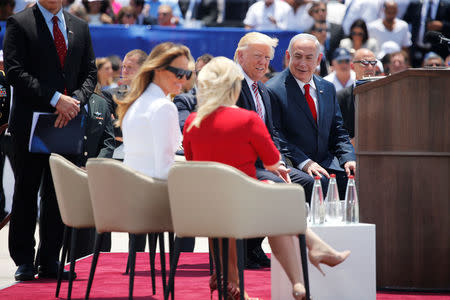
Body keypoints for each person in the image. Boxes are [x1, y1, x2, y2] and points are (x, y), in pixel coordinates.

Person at [183, 56, 350, 300]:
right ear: (235, 86)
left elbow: (192, 164)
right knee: (277, 203)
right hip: (244, 208)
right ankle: (301, 275)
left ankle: (229, 279)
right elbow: (273, 161)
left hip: (208, 211)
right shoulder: (248, 119)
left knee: (249, 203)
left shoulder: (191, 122)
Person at [3, 0, 97, 281]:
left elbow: (90, 73)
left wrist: (75, 102)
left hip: (66, 120)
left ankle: (50, 259)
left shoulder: (79, 26)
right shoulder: (20, 23)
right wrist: (56, 99)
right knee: (26, 192)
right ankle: (24, 260)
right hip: (31, 122)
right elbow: (15, 71)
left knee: (58, 194)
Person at [233, 32, 322, 270]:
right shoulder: (233, 87)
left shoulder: (261, 90)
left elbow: (271, 134)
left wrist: (280, 163)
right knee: (281, 187)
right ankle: (249, 247)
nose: (263, 62)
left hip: (266, 164)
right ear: (240, 57)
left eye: (267, 57)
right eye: (257, 56)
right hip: (240, 166)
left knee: (306, 182)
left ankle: (256, 245)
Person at [266, 33, 356, 200]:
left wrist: (349, 158)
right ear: (288, 56)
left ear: (318, 59)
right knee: (319, 183)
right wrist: (305, 162)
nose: (303, 63)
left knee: (355, 178)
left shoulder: (327, 88)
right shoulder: (273, 90)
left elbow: (338, 131)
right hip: (296, 165)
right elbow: (277, 137)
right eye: (298, 56)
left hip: (327, 162)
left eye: (309, 58)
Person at [116, 42, 192, 180]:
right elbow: (164, 171)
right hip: (151, 193)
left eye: (187, 74)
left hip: (129, 187)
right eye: (179, 73)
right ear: (158, 69)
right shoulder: (164, 107)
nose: (184, 79)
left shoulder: (134, 102)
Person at [336, 48, 377, 143]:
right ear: (352, 66)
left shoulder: (386, 94)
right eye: (365, 63)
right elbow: (336, 131)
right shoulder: (341, 97)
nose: (370, 67)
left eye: (373, 63)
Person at [403, 0, 450, 67]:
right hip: (417, 50)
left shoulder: (447, 5)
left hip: (439, 52)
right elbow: (406, 23)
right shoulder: (416, 4)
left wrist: (443, 25)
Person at [173, 53, 213, 132]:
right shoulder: (183, 100)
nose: (205, 77)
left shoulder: (225, 97)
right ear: (195, 75)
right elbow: (185, 128)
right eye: (201, 72)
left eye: (210, 73)